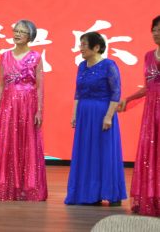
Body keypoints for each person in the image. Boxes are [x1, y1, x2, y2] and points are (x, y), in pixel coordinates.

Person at [65, 31, 126, 206]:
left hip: (102, 113)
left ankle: (111, 194)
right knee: (86, 153)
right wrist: (74, 114)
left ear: (97, 47)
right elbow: (78, 92)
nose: (81, 48)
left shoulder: (109, 65)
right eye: (81, 44)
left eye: (84, 45)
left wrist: (109, 116)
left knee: (105, 152)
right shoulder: (82, 66)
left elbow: (116, 93)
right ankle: (89, 194)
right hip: (84, 114)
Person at [0, 19, 47, 201]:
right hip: (8, 104)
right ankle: (8, 186)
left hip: (28, 104)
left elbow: (40, 87)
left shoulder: (36, 57)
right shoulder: (5, 56)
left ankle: (28, 187)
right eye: (16, 31)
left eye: (22, 31)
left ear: (30, 36)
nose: (17, 34)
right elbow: (0, 85)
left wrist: (39, 111)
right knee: (8, 143)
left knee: (27, 142)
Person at [118, 16, 160, 216]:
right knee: (151, 154)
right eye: (154, 29)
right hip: (151, 112)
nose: (156, 33)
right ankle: (152, 197)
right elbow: (147, 87)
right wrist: (128, 99)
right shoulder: (148, 56)